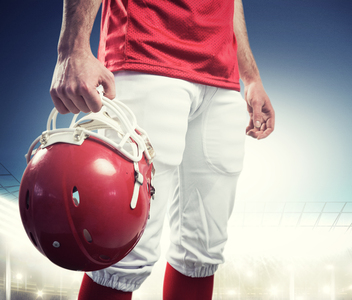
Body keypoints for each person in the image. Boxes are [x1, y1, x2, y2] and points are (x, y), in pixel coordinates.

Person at [50, 0, 275, 299]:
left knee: (203, 252)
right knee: (119, 248)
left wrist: (251, 78)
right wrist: (72, 47)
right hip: (146, 52)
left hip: (221, 78)